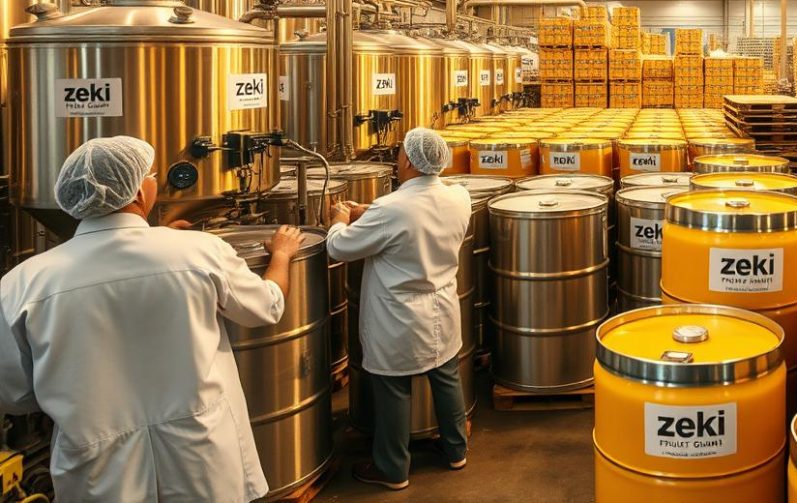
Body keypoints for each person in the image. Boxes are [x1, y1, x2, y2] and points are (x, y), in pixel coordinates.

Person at [0, 136, 303, 502]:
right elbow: (266, 306)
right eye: (151, 174)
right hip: (200, 459)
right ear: (140, 193)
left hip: (98, 473)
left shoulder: (22, 283)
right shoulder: (200, 252)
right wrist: (282, 256)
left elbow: (14, 395)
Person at [326, 127, 472, 490]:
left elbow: (340, 248)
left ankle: (392, 469)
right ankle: (456, 450)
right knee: (447, 376)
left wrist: (339, 221)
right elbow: (413, 220)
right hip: (442, 305)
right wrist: (369, 212)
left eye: (399, 153)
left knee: (393, 390)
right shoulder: (459, 197)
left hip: (400, 317)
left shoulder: (391, 209)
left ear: (407, 159)